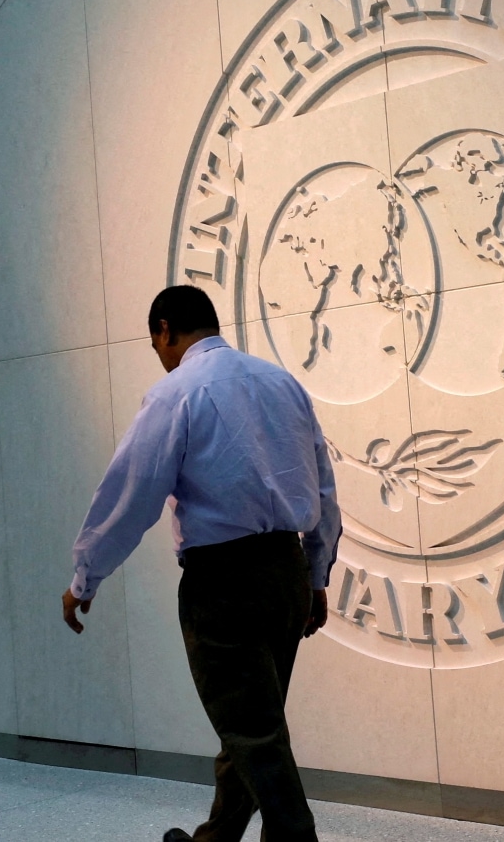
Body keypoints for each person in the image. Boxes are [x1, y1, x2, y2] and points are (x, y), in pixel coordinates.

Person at [60, 285, 341, 842]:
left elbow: (130, 496)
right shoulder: (282, 383)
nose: (160, 356)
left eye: (155, 344)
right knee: (253, 722)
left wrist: (84, 577)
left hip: (223, 583)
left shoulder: (176, 393)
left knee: (253, 730)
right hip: (286, 571)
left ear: (165, 330)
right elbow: (324, 488)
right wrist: (314, 576)